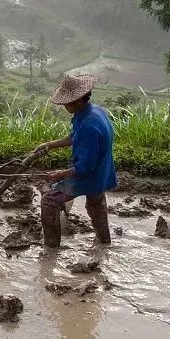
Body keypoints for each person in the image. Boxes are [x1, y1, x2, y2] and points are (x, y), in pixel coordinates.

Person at [34, 73, 116, 248]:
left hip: (89, 174)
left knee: (49, 200)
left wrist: (61, 174)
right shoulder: (95, 112)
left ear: (78, 100)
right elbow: (74, 137)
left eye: (66, 102)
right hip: (102, 170)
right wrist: (49, 144)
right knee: (96, 204)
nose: (64, 105)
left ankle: (51, 249)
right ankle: (105, 242)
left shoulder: (88, 125)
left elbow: (84, 168)